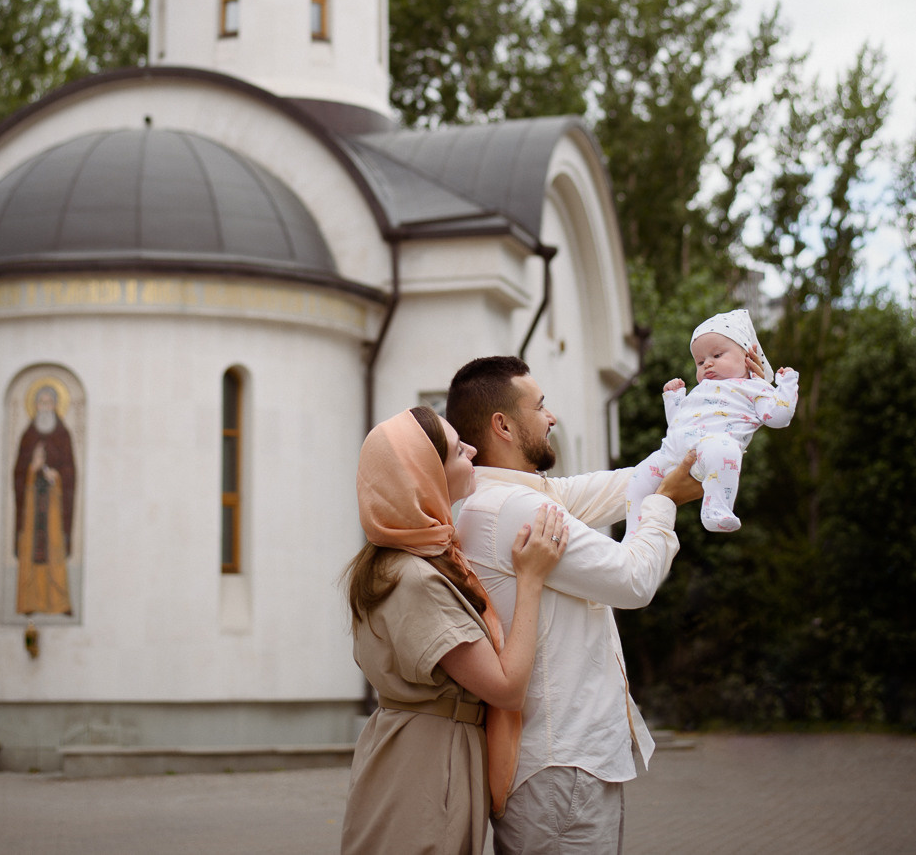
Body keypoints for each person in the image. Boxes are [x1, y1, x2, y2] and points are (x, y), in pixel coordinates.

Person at [447, 356, 701, 855]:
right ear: (503, 425)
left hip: (563, 767)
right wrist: (666, 503)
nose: (551, 417)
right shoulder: (516, 510)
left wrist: (733, 403)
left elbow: (639, 479)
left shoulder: (517, 497)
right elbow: (633, 580)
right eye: (539, 406)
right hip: (562, 770)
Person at [340, 405, 568, 855]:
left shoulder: (413, 561)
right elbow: (505, 690)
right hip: (427, 764)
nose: (473, 448)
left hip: (421, 752)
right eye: (456, 449)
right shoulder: (416, 578)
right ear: (427, 478)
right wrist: (531, 578)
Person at [625, 307, 798, 536]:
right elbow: (679, 424)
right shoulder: (700, 391)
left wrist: (786, 385)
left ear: (747, 358)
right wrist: (674, 400)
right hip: (671, 453)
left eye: (717, 356)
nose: (707, 364)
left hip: (711, 451)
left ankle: (716, 509)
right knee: (636, 481)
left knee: (725, 450)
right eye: (700, 361)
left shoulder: (755, 388)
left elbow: (778, 417)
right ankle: (633, 534)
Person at [13, 383, 76, 615]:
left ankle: (59, 602)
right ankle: (29, 602)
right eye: (42, 403)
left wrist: (57, 477)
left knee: (54, 551)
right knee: (32, 552)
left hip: (53, 508)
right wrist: (33, 469)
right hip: (31, 507)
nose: (45, 407)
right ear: (35, 405)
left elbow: (70, 471)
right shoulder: (28, 437)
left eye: (50, 403)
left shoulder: (63, 435)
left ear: (56, 406)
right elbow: (18, 473)